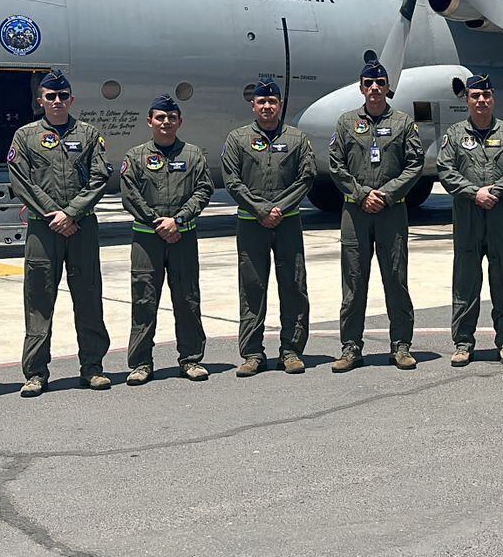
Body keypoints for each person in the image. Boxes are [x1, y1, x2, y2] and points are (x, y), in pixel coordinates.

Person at [8, 69, 112, 396]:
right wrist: (53, 212)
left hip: (81, 227)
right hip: (44, 228)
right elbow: (21, 178)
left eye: (62, 96)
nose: (57, 101)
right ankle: (36, 372)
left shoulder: (90, 134)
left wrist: (71, 212)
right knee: (38, 299)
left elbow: (100, 178)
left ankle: (93, 368)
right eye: (50, 96)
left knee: (89, 296)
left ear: (71, 99)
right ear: (40, 100)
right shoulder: (25, 136)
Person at [328, 55, 424, 372]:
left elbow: (414, 165)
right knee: (354, 283)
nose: (374, 88)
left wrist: (386, 193)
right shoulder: (345, 123)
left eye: (380, 83)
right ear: (361, 87)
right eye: (368, 83)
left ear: (387, 87)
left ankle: (401, 346)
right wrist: (361, 194)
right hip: (355, 213)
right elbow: (336, 166)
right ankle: (351, 348)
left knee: (396, 280)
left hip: (391, 211)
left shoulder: (403, 123)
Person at [221, 77, 316, 377]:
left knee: (293, 286)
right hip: (251, 224)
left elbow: (306, 178)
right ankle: (252, 353)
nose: (267, 106)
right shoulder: (237, 139)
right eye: (261, 102)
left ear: (280, 105)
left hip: (287, 223)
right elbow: (232, 180)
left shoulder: (298, 140)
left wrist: (279, 209)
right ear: (253, 105)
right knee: (252, 289)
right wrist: (261, 209)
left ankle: (291, 351)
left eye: (272, 101)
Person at [118, 94, 214, 385]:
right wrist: (157, 222)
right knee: (144, 300)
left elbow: (203, 189)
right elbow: (129, 194)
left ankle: (191, 359)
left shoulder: (193, 154)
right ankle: (141, 363)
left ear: (179, 121)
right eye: (160, 117)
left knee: (187, 298)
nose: (166, 122)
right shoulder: (135, 156)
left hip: (183, 236)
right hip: (147, 240)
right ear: (150, 121)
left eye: (171, 117)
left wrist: (179, 220)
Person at [435, 74, 503, 366]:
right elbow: (445, 169)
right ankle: (463, 342)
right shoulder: (454, 134)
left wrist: (495, 191)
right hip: (468, 217)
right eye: (475, 96)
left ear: (493, 98)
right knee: (465, 280)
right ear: (468, 100)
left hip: (501, 217)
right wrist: (475, 193)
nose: (481, 101)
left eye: (486, 95)